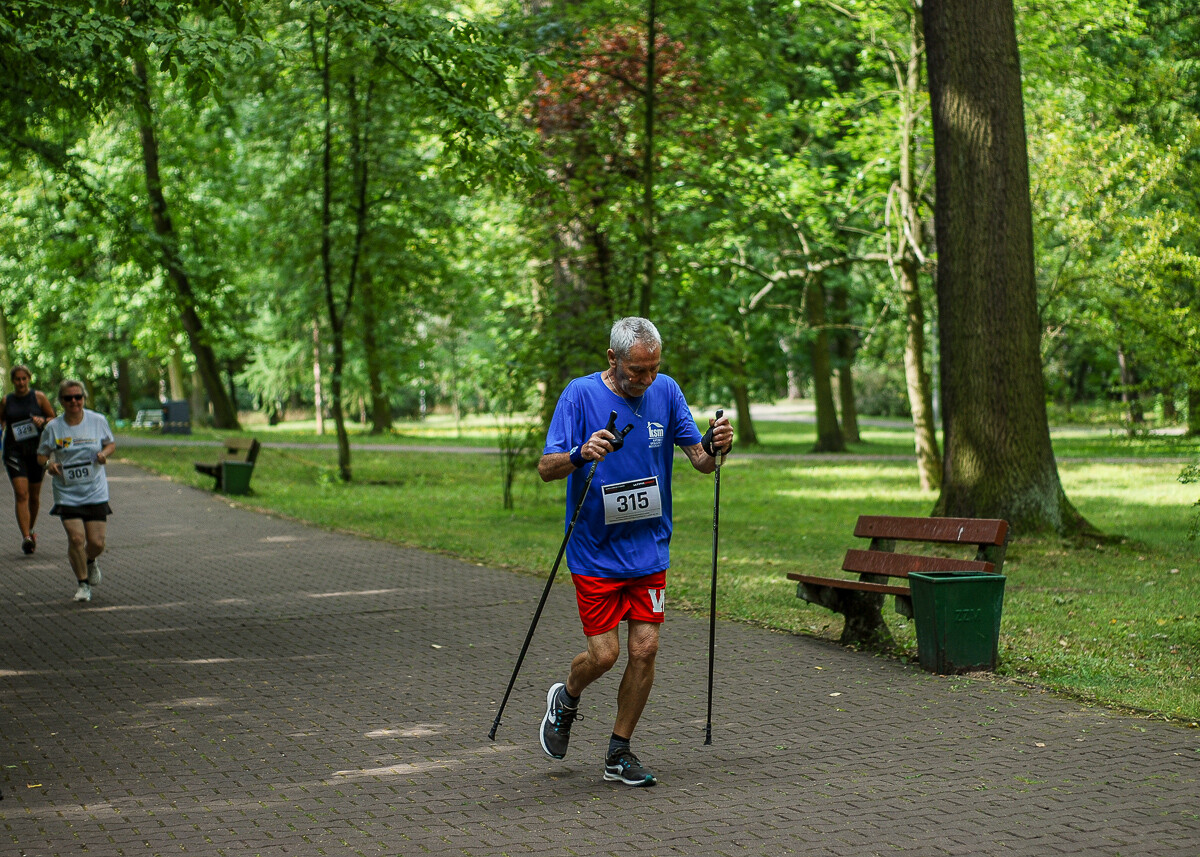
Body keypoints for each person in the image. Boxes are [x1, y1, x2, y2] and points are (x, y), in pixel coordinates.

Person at [536, 317, 732, 787]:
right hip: (596, 551)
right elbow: (546, 467)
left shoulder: (666, 391)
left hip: (649, 549)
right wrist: (581, 454)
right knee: (604, 656)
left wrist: (715, 444)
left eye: (652, 369)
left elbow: (701, 462)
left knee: (646, 649)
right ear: (612, 360)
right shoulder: (579, 395)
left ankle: (618, 751)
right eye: (635, 372)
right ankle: (566, 696)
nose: (645, 380)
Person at [36, 380, 116, 603]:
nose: (74, 402)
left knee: (97, 543)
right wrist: (48, 465)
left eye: (78, 397)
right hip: (67, 491)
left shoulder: (97, 421)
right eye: (68, 398)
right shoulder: (53, 428)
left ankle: (90, 561)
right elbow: (41, 455)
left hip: (95, 490)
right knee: (76, 537)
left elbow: (110, 443)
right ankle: (83, 584)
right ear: (61, 401)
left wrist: (104, 455)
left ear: (84, 398)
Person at [1, 365, 57, 554]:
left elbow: (53, 418)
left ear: (29, 379)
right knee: (21, 494)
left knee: (33, 496)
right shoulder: (6, 400)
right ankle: (26, 537)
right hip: (13, 452)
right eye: (17, 379)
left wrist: (43, 420)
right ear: (13, 381)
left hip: (36, 451)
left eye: (24, 378)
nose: (21, 382)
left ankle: (31, 529)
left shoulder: (38, 397)